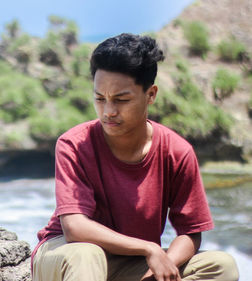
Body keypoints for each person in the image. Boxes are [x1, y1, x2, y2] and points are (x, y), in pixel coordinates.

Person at [32, 33, 239, 281]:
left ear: (151, 95)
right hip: (66, 254)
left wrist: (161, 268)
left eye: (121, 100)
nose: (108, 111)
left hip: (130, 265)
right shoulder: (74, 144)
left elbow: (190, 232)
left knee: (221, 265)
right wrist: (148, 248)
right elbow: (75, 228)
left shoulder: (177, 151)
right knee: (88, 255)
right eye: (100, 98)